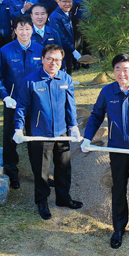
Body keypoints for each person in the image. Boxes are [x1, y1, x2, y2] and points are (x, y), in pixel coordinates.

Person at [81, 53, 129, 250]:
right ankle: (118, 228)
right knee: (118, 188)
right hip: (116, 149)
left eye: (126, 69)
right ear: (113, 71)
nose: (121, 73)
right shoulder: (107, 92)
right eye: (117, 69)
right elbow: (96, 115)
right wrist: (87, 138)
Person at [13, 44, 82, 220]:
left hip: (61, 132)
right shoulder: (31, 80)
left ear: (62, 61)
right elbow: (22, 107)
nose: (53, 63)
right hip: (39, 133)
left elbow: (70, 104)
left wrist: (73, 126)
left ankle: (63, 198)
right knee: (42, 170)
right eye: (50, 58)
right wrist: (18, 128)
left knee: (64, 167)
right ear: (42, 59)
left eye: (57, 59)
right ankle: (42, 202)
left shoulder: (65, 79)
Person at [0, 15, 44, 189]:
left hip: (35, 103)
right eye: (20, 29)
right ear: (14, 31)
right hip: (13, 103)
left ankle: (40, 173)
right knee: (10, 138)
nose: (24, 32)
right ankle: (11, 172)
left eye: (27, 28)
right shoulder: (5, 51)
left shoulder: (40, 50)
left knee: (35, 138)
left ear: (32, 30)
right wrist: (5, 96)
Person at [48, 0, 80, 73]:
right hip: (60, 52)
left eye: (69, 1)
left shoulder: (67, 13)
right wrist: (73, 50)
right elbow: (60, 37)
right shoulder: (55, 17)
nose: (67, 4)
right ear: (58, 2)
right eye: (64, 1)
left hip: (68, 51)